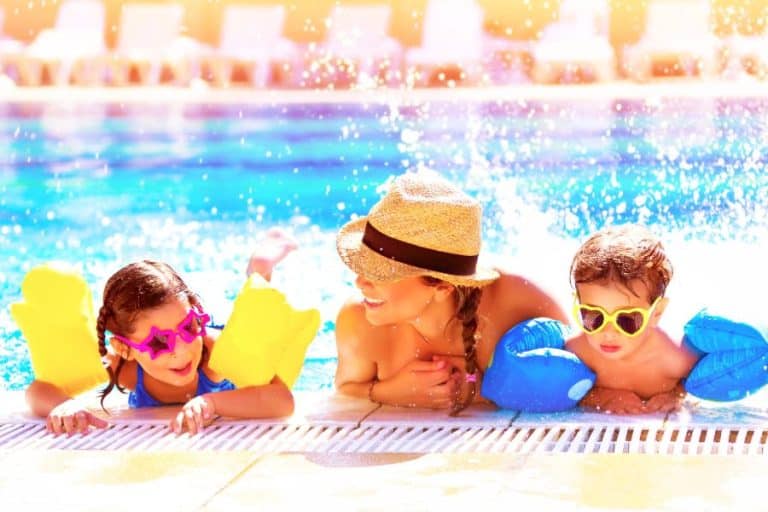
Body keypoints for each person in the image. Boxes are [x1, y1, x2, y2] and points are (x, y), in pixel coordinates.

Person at [334, 169, 568, 415]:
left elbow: (582, 377)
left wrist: (485, 391)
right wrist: (388, 392)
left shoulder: (517, 303)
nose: (360, 282)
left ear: (442, 287)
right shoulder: (359, 321)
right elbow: (345, 390)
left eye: (381, 274)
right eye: (364, 266)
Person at [26, 231, 298, 435]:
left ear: (195, 312)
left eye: (188, 327)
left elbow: (282, 401)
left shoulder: (215, 354)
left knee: (254, 310)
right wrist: (62, 405)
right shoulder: (128, 368)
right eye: (158, 342)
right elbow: (38, 390)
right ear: (126, 347)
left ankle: (259, 268)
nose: (181, 350)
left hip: (229, 342)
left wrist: (213, 403)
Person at [566, 224, 698, 414]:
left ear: (657, 313)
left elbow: (701, 384)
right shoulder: (578, 353)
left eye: (626, 320)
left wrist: (675, 395)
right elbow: (560, 392)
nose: (608, 332)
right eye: (594, 317)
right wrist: (601, 396)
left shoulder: (674, 359)